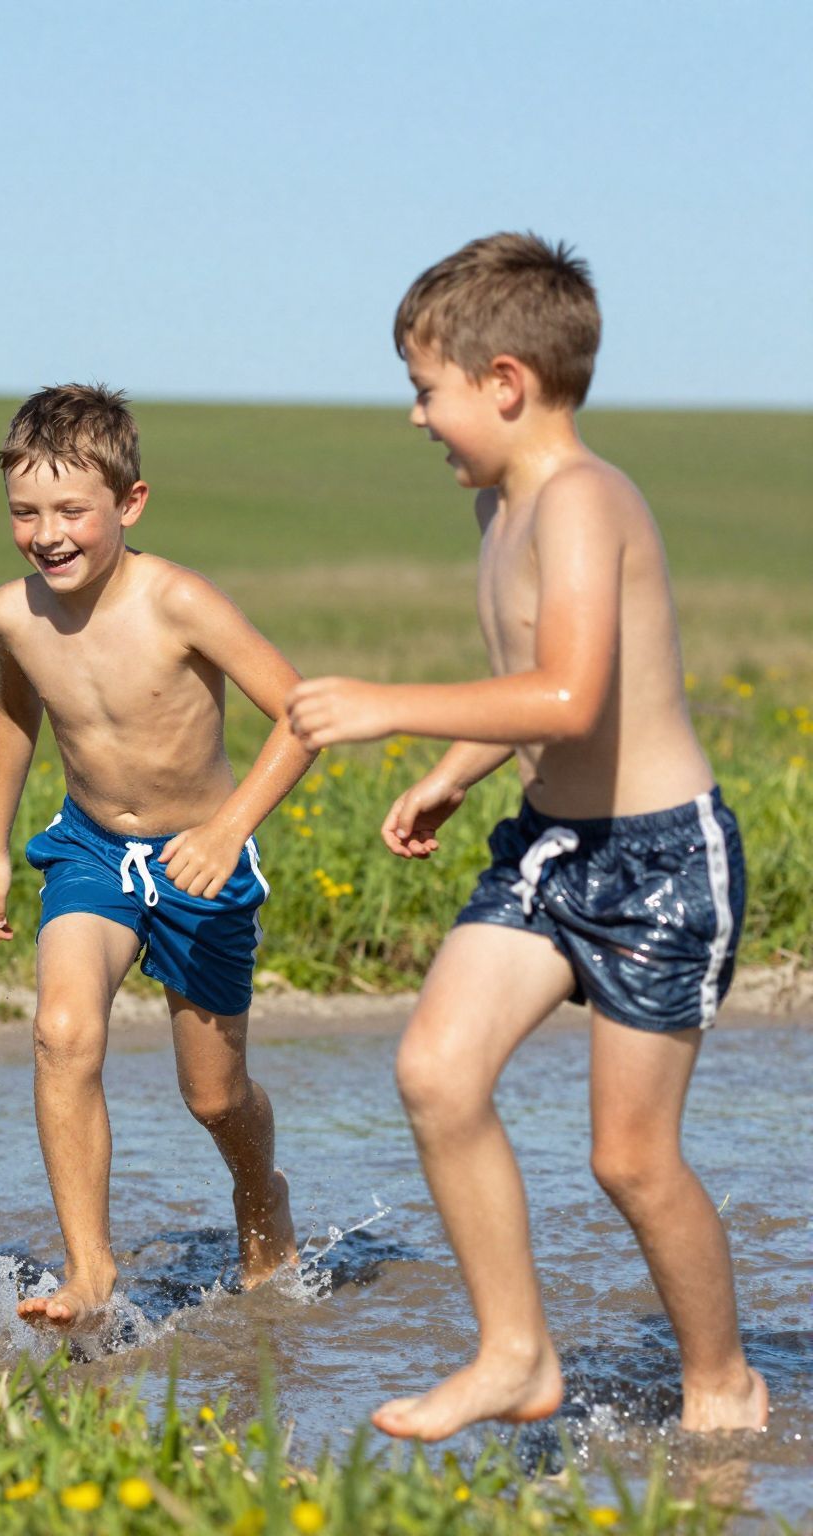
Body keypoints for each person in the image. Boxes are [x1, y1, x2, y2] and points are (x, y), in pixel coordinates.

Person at [287, 232, 768, 1439]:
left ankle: (722, 1382)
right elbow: (526, 680)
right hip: (550, 850)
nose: (414, 417)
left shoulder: (582, 501)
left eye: (424, 389)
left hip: (660, 866)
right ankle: (513, 1354)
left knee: (629, 1159)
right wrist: (457, 768)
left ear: (502, 382)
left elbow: (569, 696)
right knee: (435, 1072)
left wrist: (387, 708)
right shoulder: (496, 507)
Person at [0, 383, 312, 1328]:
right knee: (61, 1031)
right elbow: (14, 715)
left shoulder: (179, 602)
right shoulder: (13, 616)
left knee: (214, 1097)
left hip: (202, 862)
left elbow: (299, 716)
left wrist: (228, 830)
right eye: (25, 512)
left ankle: (261, 1192)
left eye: (71, 511)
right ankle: (89, 1272)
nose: (47, 535)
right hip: (89, 851)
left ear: (130, 503)